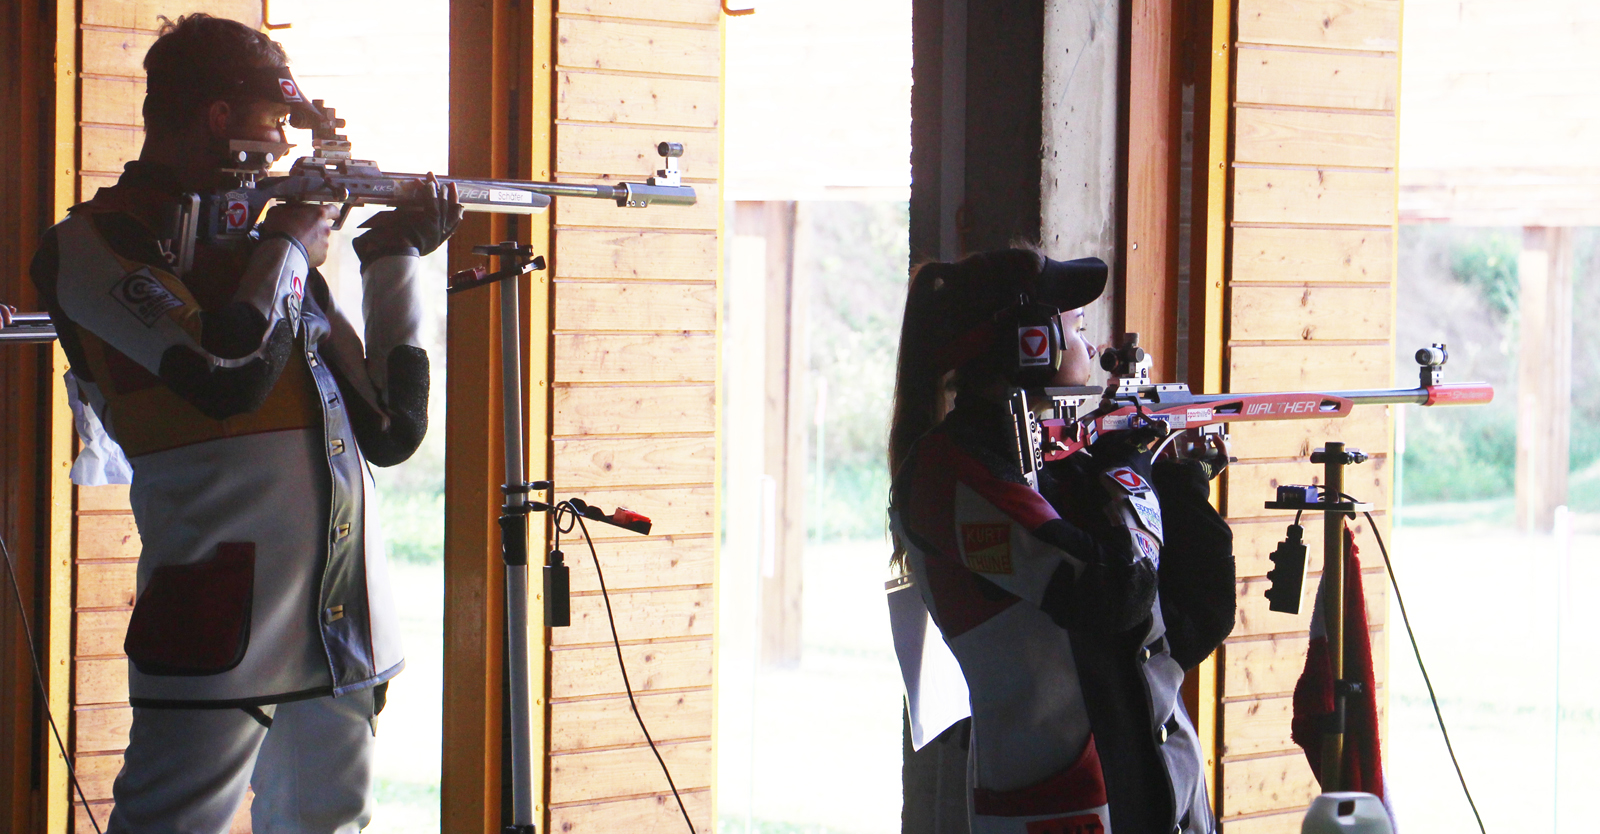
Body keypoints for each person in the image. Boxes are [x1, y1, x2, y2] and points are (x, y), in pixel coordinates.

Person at [30, 14, 461, 833]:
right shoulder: (93, 243)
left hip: (343, 619)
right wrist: (291, 248)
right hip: (213, 615)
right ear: (219, 115)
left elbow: (391, 432)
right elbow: (224, 376)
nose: (277, 146)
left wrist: (393, 258)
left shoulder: (265, 257)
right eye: (270, 119)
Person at [888, 249, 1236, 834]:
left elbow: (1190, 622)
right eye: (1076, 327)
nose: (1093, 346)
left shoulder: (1056, 463)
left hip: (1153, 785)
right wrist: (1133, 476)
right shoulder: (950, 474)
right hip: (1059, 806)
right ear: (1032, 341)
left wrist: (1180, 486)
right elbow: (1112, 593)